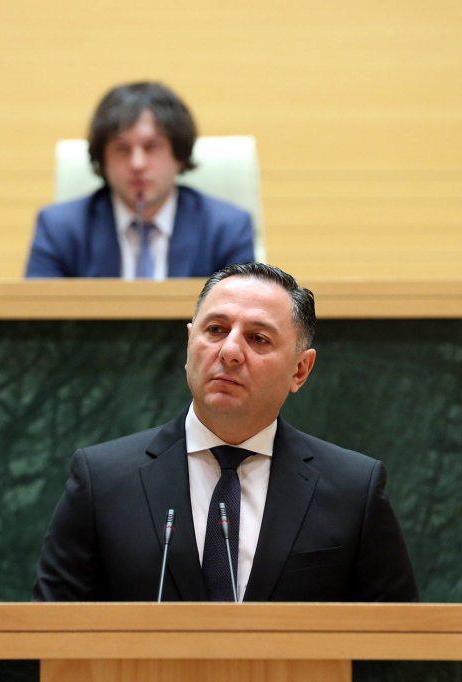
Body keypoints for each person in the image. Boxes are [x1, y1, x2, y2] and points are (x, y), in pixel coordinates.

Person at [33, 263, 418, 602]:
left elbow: (397, 642)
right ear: (189, 344)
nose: (230, 351)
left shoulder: (353, 489)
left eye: (258, 338)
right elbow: (50, 632)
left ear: (300, 370)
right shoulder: (103, 480)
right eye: (215, 330)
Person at [24, 82, 255, 278]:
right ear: (103, 160)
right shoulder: (60, 228)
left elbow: (242, 313)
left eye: (152, 147)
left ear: (179, 155)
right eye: (122, 149)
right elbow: (37, 315)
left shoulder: (226, 229)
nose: (137, 164)